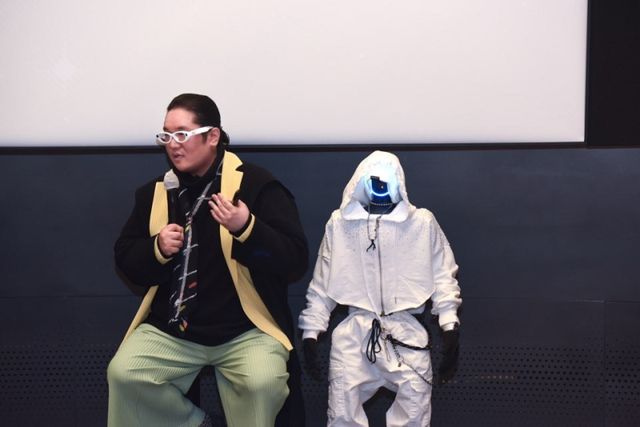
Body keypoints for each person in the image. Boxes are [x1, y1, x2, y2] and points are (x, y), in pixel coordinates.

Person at [108, 93, 309, 427]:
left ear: (212, 136)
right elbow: (126, 257)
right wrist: (157, 248)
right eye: (166, 136)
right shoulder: (156, 192)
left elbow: (294, 259)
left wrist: (247, 228)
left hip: (245, 330)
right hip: (174, 330)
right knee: (124, 373)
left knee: (262, 383)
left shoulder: (255, 185)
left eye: (182, 134)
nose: (173, 145)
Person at [298, 150, 461, 426]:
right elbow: (323, 281)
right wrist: (311, 331)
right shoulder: (340, 224)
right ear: (361, 182)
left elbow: (442, 273)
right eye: (374, 180)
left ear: (398, 183)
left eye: (387, 181)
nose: (381, 186)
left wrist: (449, 323)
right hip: (354, 334)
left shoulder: (421, 223)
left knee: (414, 410)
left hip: (406, 333)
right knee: (342, 412)